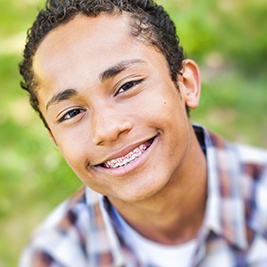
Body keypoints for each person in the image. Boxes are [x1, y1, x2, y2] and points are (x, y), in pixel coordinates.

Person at [19, 0, 267, 266]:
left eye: (127, 86)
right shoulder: (54, 257)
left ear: (186, 84)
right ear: (55, 139)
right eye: (71, 113)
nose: (107, 129)